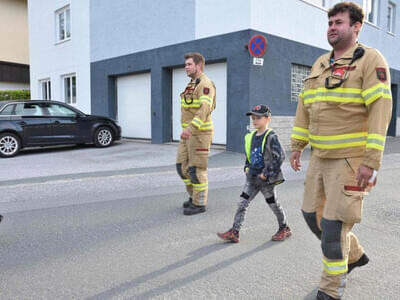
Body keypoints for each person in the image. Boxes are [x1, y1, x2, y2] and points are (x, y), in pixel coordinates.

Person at [290, 3, 392, 299]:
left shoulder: (371, 60)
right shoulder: (320, 63)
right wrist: (297, 146)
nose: (332, 27)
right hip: (319, 159)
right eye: (330, 22)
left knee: (333, 230)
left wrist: (370, 162)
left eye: (339, 22)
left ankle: (331, 289)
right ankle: (355, 254)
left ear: (356, 26)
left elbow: (380, 111)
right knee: (312, 217)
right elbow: (303, 106)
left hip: (350, 160)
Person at [217, 104, 291, 243]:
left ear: (267, 119)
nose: (254, 121)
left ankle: (284, 227)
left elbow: (279, 157)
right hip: (251, 178)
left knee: (273, 204)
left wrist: (266, 173)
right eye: (253, 118)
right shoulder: (251, 136)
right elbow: (249, 155)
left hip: (266, 181)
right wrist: (246, 167)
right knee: (242, 203)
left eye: (258, 118)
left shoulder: (271, 137)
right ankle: (235, 232)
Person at [176, 52, 216, 215]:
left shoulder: (205, 85)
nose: (186, 67)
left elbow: (204, 110)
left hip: (199, 134)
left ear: (198, 66)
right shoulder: (192, 84)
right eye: (185, 64)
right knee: (182, 167)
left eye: (189, 64)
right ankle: (193, 196)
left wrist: (190, 129)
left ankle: (199, 203)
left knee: (196, 169)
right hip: (187, 135)